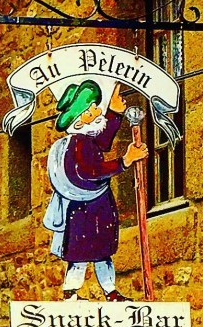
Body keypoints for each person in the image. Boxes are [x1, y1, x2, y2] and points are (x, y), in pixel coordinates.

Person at [43, 80, 148, 301]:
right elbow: (90, 171)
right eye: (92, 110)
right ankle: (72, 292)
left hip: (98, 207)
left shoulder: (87, 140)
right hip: (84, 209)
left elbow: (103, 141)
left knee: (103, 252)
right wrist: (125, 161)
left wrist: (114, 113)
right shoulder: (78, 145)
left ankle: (110, 291)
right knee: (80, 256)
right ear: (80, 118)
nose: (97, 111)